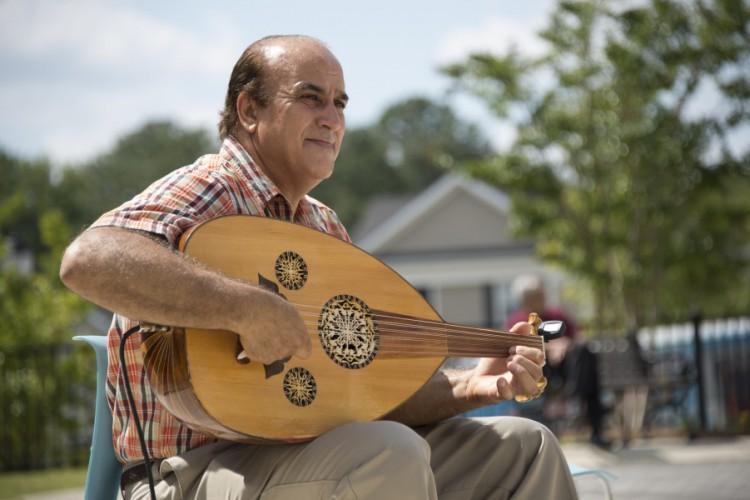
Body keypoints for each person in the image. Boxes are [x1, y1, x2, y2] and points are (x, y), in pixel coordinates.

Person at [60, 35, 578, 500]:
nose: (332, 118)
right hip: (190, 477)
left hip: (317, 456)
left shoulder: (323, 226)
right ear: (248, 110)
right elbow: (89, 260)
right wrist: (246, 307)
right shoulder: (211, 190)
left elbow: (364, 393)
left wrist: (476, 387)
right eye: (311, 97)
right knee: (386, 452)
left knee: (524, 446)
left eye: (340, 103)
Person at [507, 275, 609, 449]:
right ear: (524, 301)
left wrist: (565, 344)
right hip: (539, 370)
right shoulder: (517, 321)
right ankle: (576, 401)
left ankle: (578, 399)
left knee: (585, 353)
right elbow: (515, 346)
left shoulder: (556, 315)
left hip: (569, 369)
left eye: (541, 295)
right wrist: (548, 347)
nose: (540, 300)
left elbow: (578, 336)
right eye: (534, 297)